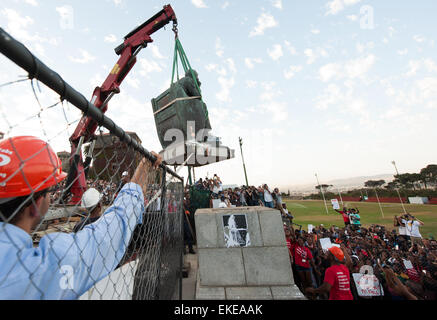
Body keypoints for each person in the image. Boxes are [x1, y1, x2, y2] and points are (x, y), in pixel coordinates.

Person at [0, 136, 162, 299]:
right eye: (49, 191)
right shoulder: (50, 264)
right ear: (35, 206)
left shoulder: (77, 228)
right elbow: (115, 225)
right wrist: (145, 166)